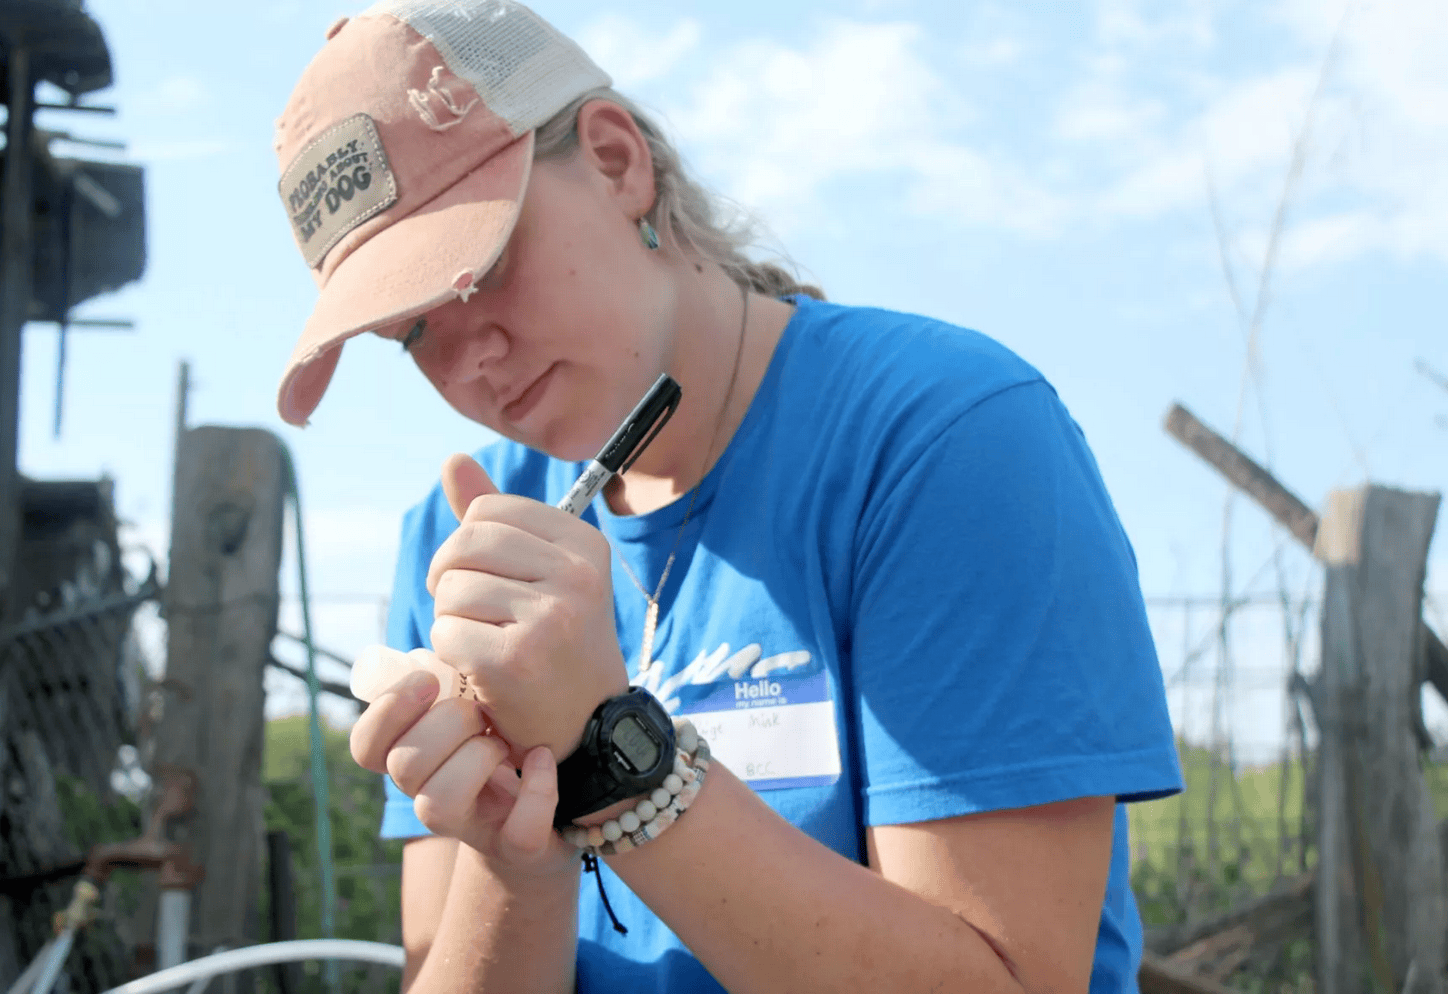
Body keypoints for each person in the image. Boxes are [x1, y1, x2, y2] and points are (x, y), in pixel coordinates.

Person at [270, 2, 1184, 991]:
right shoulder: (466, 548)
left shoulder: (944, 442)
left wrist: (614, 762)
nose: (468, 359)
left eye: (480, 266)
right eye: (410, 335)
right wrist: (514, 852)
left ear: (618, 161)